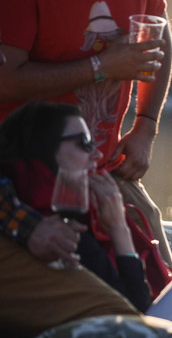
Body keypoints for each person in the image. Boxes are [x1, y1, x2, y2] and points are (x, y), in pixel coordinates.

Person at [0, 0, 172, 271]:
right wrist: (102, 67)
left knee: (150, 228)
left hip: (103, 165)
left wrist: (145, 127)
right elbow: (5, 81)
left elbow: (162, 38)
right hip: (33, 174)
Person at [0, 101, 152, 311]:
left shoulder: (19, 201)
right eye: (84, 143)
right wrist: (120, 229)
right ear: (45, 149)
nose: (97, 154)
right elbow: (136, 310)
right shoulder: (64, 234)